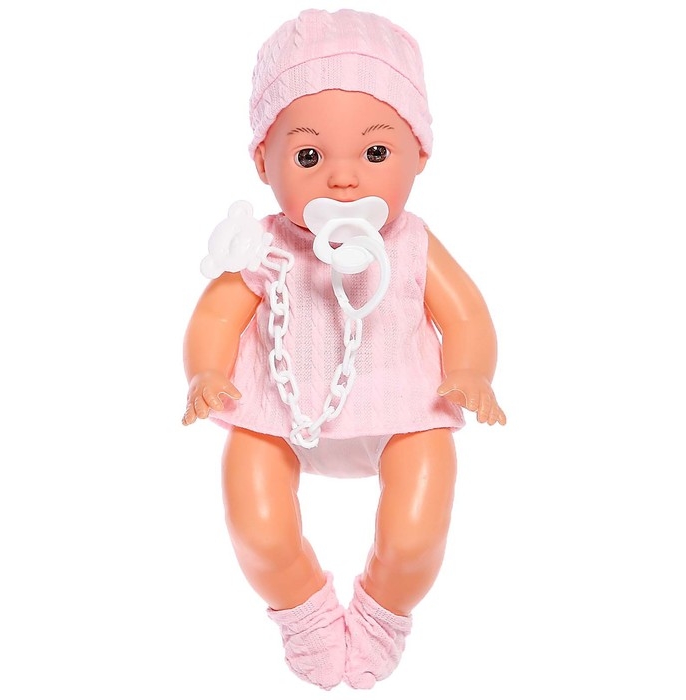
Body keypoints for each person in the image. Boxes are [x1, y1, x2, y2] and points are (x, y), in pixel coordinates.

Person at [182, 9, 506, 690]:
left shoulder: (412, 244)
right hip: (276, 410)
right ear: (262, 161)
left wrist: (470, 370)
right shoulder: (265, 246)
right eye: (308, 157)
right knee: (256, 521)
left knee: (417, 529)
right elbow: (215, 315)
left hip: (405, 408)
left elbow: (466, 314)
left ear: (420, 154)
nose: (343, 179)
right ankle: (305, 614)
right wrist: (206, 369)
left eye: (375, 154)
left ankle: (384, 611)